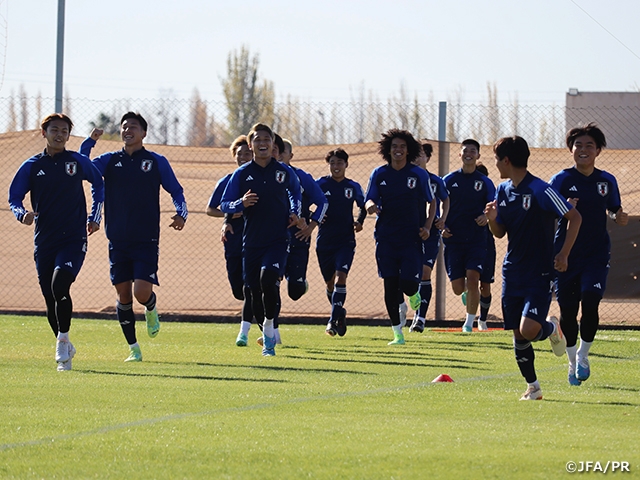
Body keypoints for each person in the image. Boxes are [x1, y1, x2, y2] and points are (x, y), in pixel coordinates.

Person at [80, 112, 188, 362]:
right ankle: (134, 348)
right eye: (124, 126)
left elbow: (177, 191)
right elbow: (82, 169)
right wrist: (89, 142)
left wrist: (181, 214)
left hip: (146, 239)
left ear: (144, 133)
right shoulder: (109, 160)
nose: (128, 130)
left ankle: (150, 306)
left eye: (134, 127)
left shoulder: (156, 161)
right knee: (124, 296)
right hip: (117, 239)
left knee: (140, 292)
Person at [485, 135, 581, 401]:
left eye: (496, 159)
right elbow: (500, 233)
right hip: (512, 272)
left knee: (529, 329)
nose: (495, 164)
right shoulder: (502, 190)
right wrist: (493, 220)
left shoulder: (540, 189)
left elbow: (574, 217)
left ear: (506, 160)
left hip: (539, 272)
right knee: (518, 333)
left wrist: (563, 254)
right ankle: (534, 387)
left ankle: (552, 329)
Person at [8, 113, 104, 371]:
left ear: (68, 136)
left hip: (73, 238)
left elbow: (98, 183)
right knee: (50, 299)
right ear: (44, 133)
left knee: (60, 284)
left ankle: (62, 346)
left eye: (64, 131)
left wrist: (95, 216)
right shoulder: (31, 166)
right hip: (45, 240)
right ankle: (65, 342)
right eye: (54, 130)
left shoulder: (76, 161)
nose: (59, 134)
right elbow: (14, 197)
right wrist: (22, 214)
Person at [550, 123, 628, 386]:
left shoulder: (607, 181)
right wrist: (563, 209)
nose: (583, 150)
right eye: (578, 146)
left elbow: (614, 209)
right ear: (571, 150)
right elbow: (546, 213)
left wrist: (619, 216)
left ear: (598, 151)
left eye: (589, 146)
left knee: (591, 301)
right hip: (565, 255)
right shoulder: (560, 180)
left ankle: (583, 356)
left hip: (596, 254)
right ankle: (572, 362)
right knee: (568, 312)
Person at [220, 123, 303, 356]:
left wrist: (295, 212)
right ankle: (265, 329)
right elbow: (225, 203)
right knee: (253, 292)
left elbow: (295, 193)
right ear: (250, 145)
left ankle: (269, 329)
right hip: (251, 242)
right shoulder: (241, 174)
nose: (262, 143)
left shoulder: (284, 172)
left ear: (273, 144)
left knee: (269, 280)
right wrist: (240, 204)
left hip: (277, 239)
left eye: (267, 139)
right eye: (257, 140)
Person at [365, 129, 436, 345]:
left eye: (403, 146)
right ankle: (397, 334)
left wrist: (427, 226)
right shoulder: (379, 173)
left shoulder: (418, 175)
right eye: (395, 146)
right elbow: (369, 198)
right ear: (388, 149)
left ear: (408, 150)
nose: (398, 150)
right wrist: (370, 207)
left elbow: (432, 202)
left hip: (411, 238)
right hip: (386, 238)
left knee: (407, 283)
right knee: (390, 285)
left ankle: (414, 293)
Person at [206, 135, 256, 347]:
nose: (243, 157)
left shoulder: (260, 178)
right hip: (233, 239)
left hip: (255, 238)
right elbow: (211, 209)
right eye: (240, 154)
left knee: (251, 288)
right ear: (234, 157)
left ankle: (255, 328)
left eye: (247, 153)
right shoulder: (227, 181)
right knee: (238, 289)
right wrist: (231, 214)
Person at [442, 139, 496, 332]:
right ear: (460, 155)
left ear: (478, 155)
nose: (469, 154)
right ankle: (466, 293)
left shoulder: (485, 182)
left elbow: (493, 206)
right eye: (465, 151)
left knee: (473, 278)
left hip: (477, 240)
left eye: (473, 151)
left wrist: (485, 216)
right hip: (453, 240)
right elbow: (437, 204)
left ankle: (469, 323)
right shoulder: (448, 180)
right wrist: (441, 225)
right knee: (458, 288)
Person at [315, 148, 366, 336]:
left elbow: (363, 206)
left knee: (340, 278)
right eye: (332, 163)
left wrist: (359, 222)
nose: (336, 166)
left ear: (346, 164)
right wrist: (315, 216)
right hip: (324, 242)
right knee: (330, 284)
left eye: (339, 163)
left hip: (346, 241)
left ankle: (331, 322)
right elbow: (305, 201)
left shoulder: (352, 186)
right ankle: (340, 312)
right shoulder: (320, 184)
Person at [408, 141, 449, 333]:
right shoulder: (405, 177)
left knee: (425, 272)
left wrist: (443, 219)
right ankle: (404, 309)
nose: (417, 158)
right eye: (414, 154)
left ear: (428, 158)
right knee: (407, 274)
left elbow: (445, 199)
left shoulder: (435, 180)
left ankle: (421, 318)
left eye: (421, 155)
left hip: (430, 232)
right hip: (407, 231)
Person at [474, 161, 497, 330]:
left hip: (487, 242)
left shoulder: (491, 197)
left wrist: (488, 217)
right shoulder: (462, 193)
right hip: (466, 242)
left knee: (485, 284)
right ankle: (469, 293)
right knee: (470, 279)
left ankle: (482, 319)